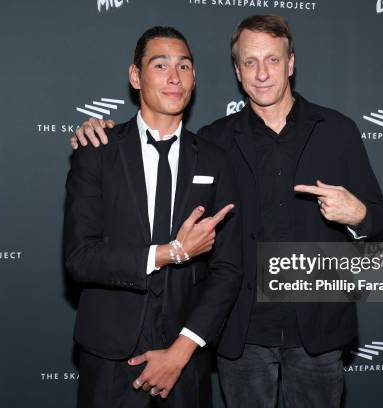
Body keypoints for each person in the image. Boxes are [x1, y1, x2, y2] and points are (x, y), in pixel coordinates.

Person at [71, 15, 383, 408]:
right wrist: (97, 132)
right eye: (250, 62)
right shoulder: (213, 142)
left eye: (273, 60)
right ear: (237, 72)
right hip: (240, 336)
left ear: (291, 64)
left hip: (320, 333)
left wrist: (358, 215)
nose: (262, 74)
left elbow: (382, 229)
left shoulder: (338, 131)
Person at [64, 26, 242, 408]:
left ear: (194, 78)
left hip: (186, 360)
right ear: (135, 76)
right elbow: (80, 258)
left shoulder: (214, 159)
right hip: (110, 356)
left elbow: (228, 269)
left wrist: (182, 350)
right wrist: (170, 252)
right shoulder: (97, 151)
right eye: (160, 65)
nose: (174, 77)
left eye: (184, 66)